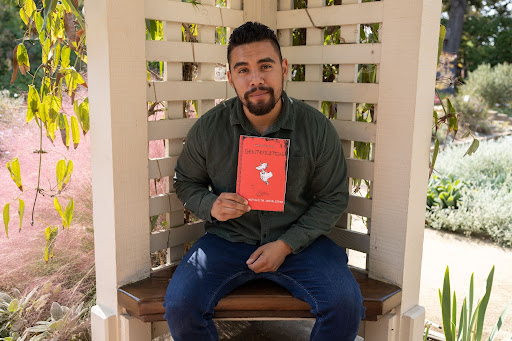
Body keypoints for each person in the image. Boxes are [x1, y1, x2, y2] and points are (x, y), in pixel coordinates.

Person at [163, 21, 365, 341]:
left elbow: (333, 197)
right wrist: (211, 205)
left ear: (283, 68)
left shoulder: (315, 129)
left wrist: (285, 245)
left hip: (300, 243)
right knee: (180, 305)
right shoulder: (209, 129)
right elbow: (185, 181)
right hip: (228, 241)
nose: (255, 79)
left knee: (344, 304)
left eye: (265, 66)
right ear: (230, 78)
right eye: (243, 70)